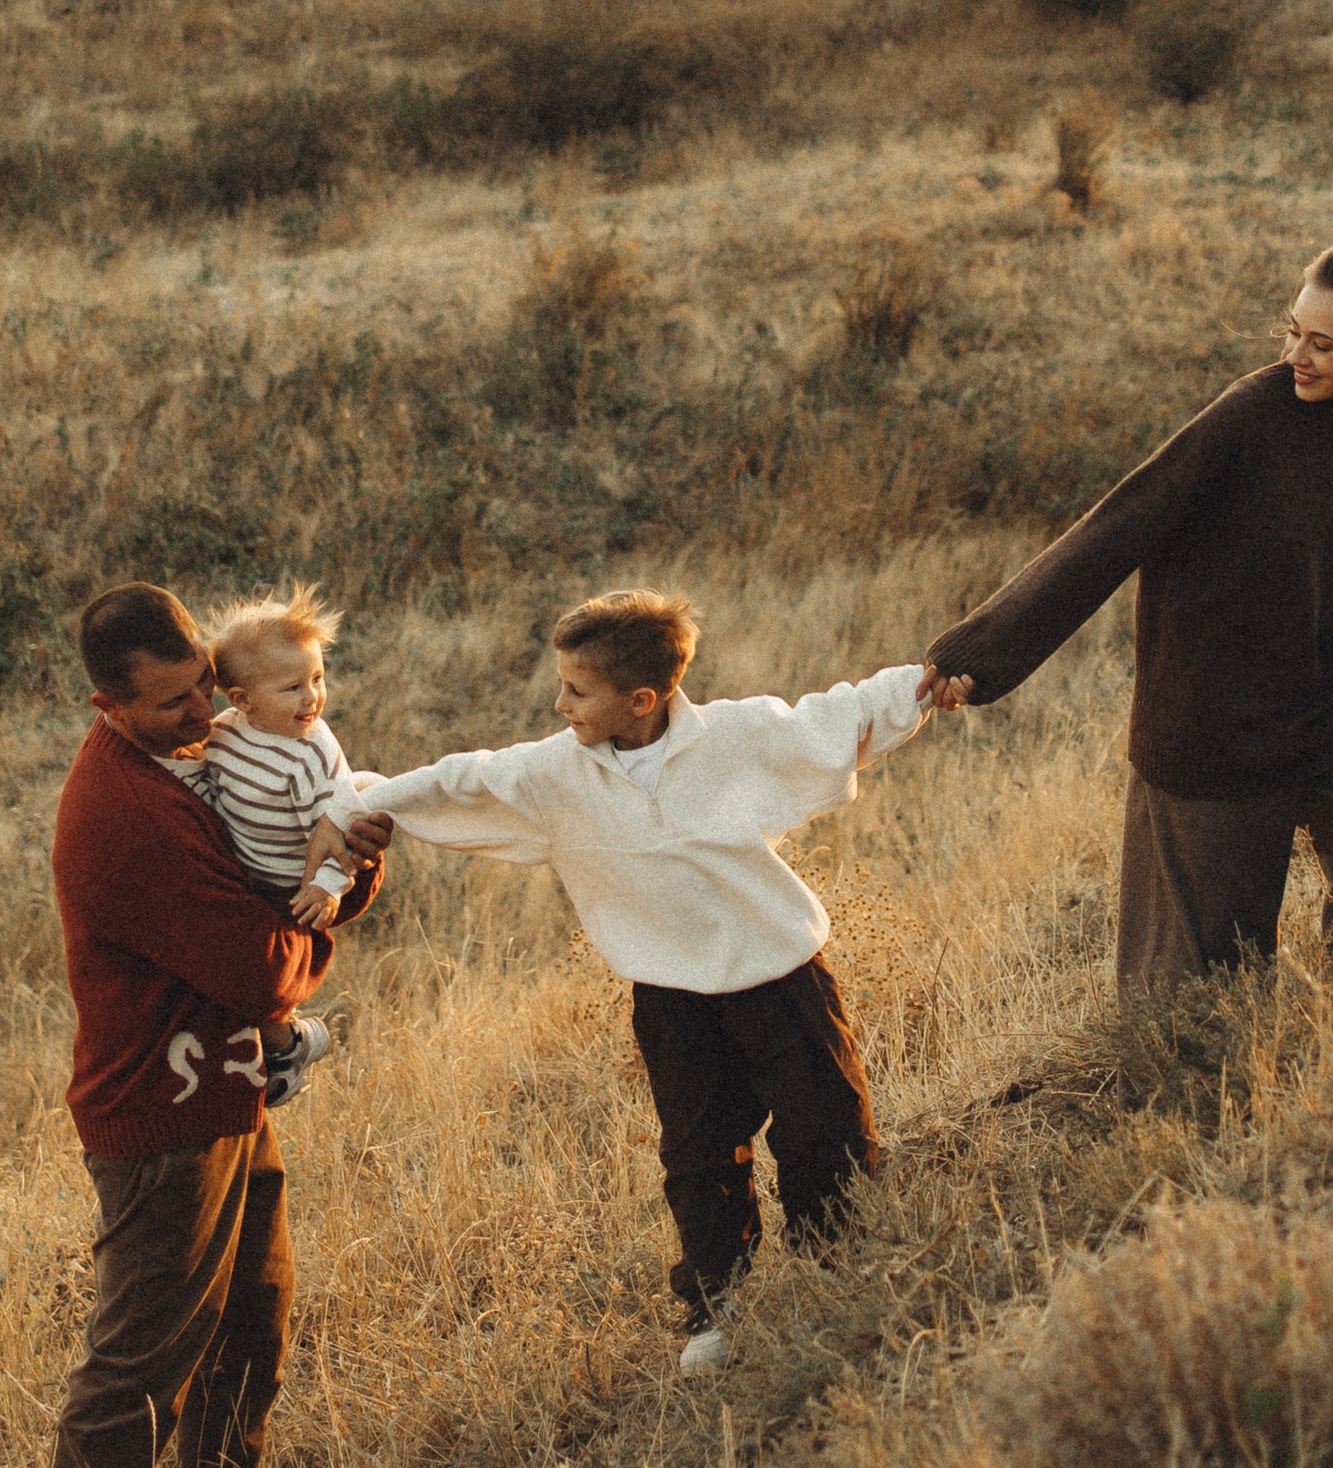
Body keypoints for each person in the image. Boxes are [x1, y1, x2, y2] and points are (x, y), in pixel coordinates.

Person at [308, 586, 925, 1378]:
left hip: (781, 978)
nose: (557, 701)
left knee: (825, 1129)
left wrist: (928, 680)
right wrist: (359, 801)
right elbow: (464, 780)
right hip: (670, 1000)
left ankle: (838, 1273)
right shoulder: (554, 775)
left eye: (576, 689)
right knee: (700, 1154)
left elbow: (835, 717)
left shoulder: (736, 736)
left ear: (641, 698)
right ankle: (715, 1306)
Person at [917, 240, 1333, 999]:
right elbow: (1113, 533)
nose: (1295, 356)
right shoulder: (1249, 417)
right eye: (1291, 332)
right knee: (1195, 992)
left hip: (1325, 707)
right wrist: (981, 653)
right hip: (1212, 724)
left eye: (1321, 343)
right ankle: (1194, 1090)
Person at [43, 579, 390, 1468]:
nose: (202, 719)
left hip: (227, 1086)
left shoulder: (204, 757)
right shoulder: (126, 815)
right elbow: (260, 970)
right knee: (140, 1363)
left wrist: (344, 867)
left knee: (254, 1310)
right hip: (161, 1116)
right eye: (170, 709)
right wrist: (344, 890)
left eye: (203, 690)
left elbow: (282, 878)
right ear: (109, 709)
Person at [176, 584, 367, 1103]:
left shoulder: (310, 756)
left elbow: (338, 832)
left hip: (290, 884)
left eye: (318, 678)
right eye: (293, 688)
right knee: (230, 971)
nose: (312, 698)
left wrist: (328, 887)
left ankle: (289, 1045)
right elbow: (208, 781)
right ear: (242, 701)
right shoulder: (224, 733)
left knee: (256, 975)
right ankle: (285, 1047)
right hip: (242, 871)